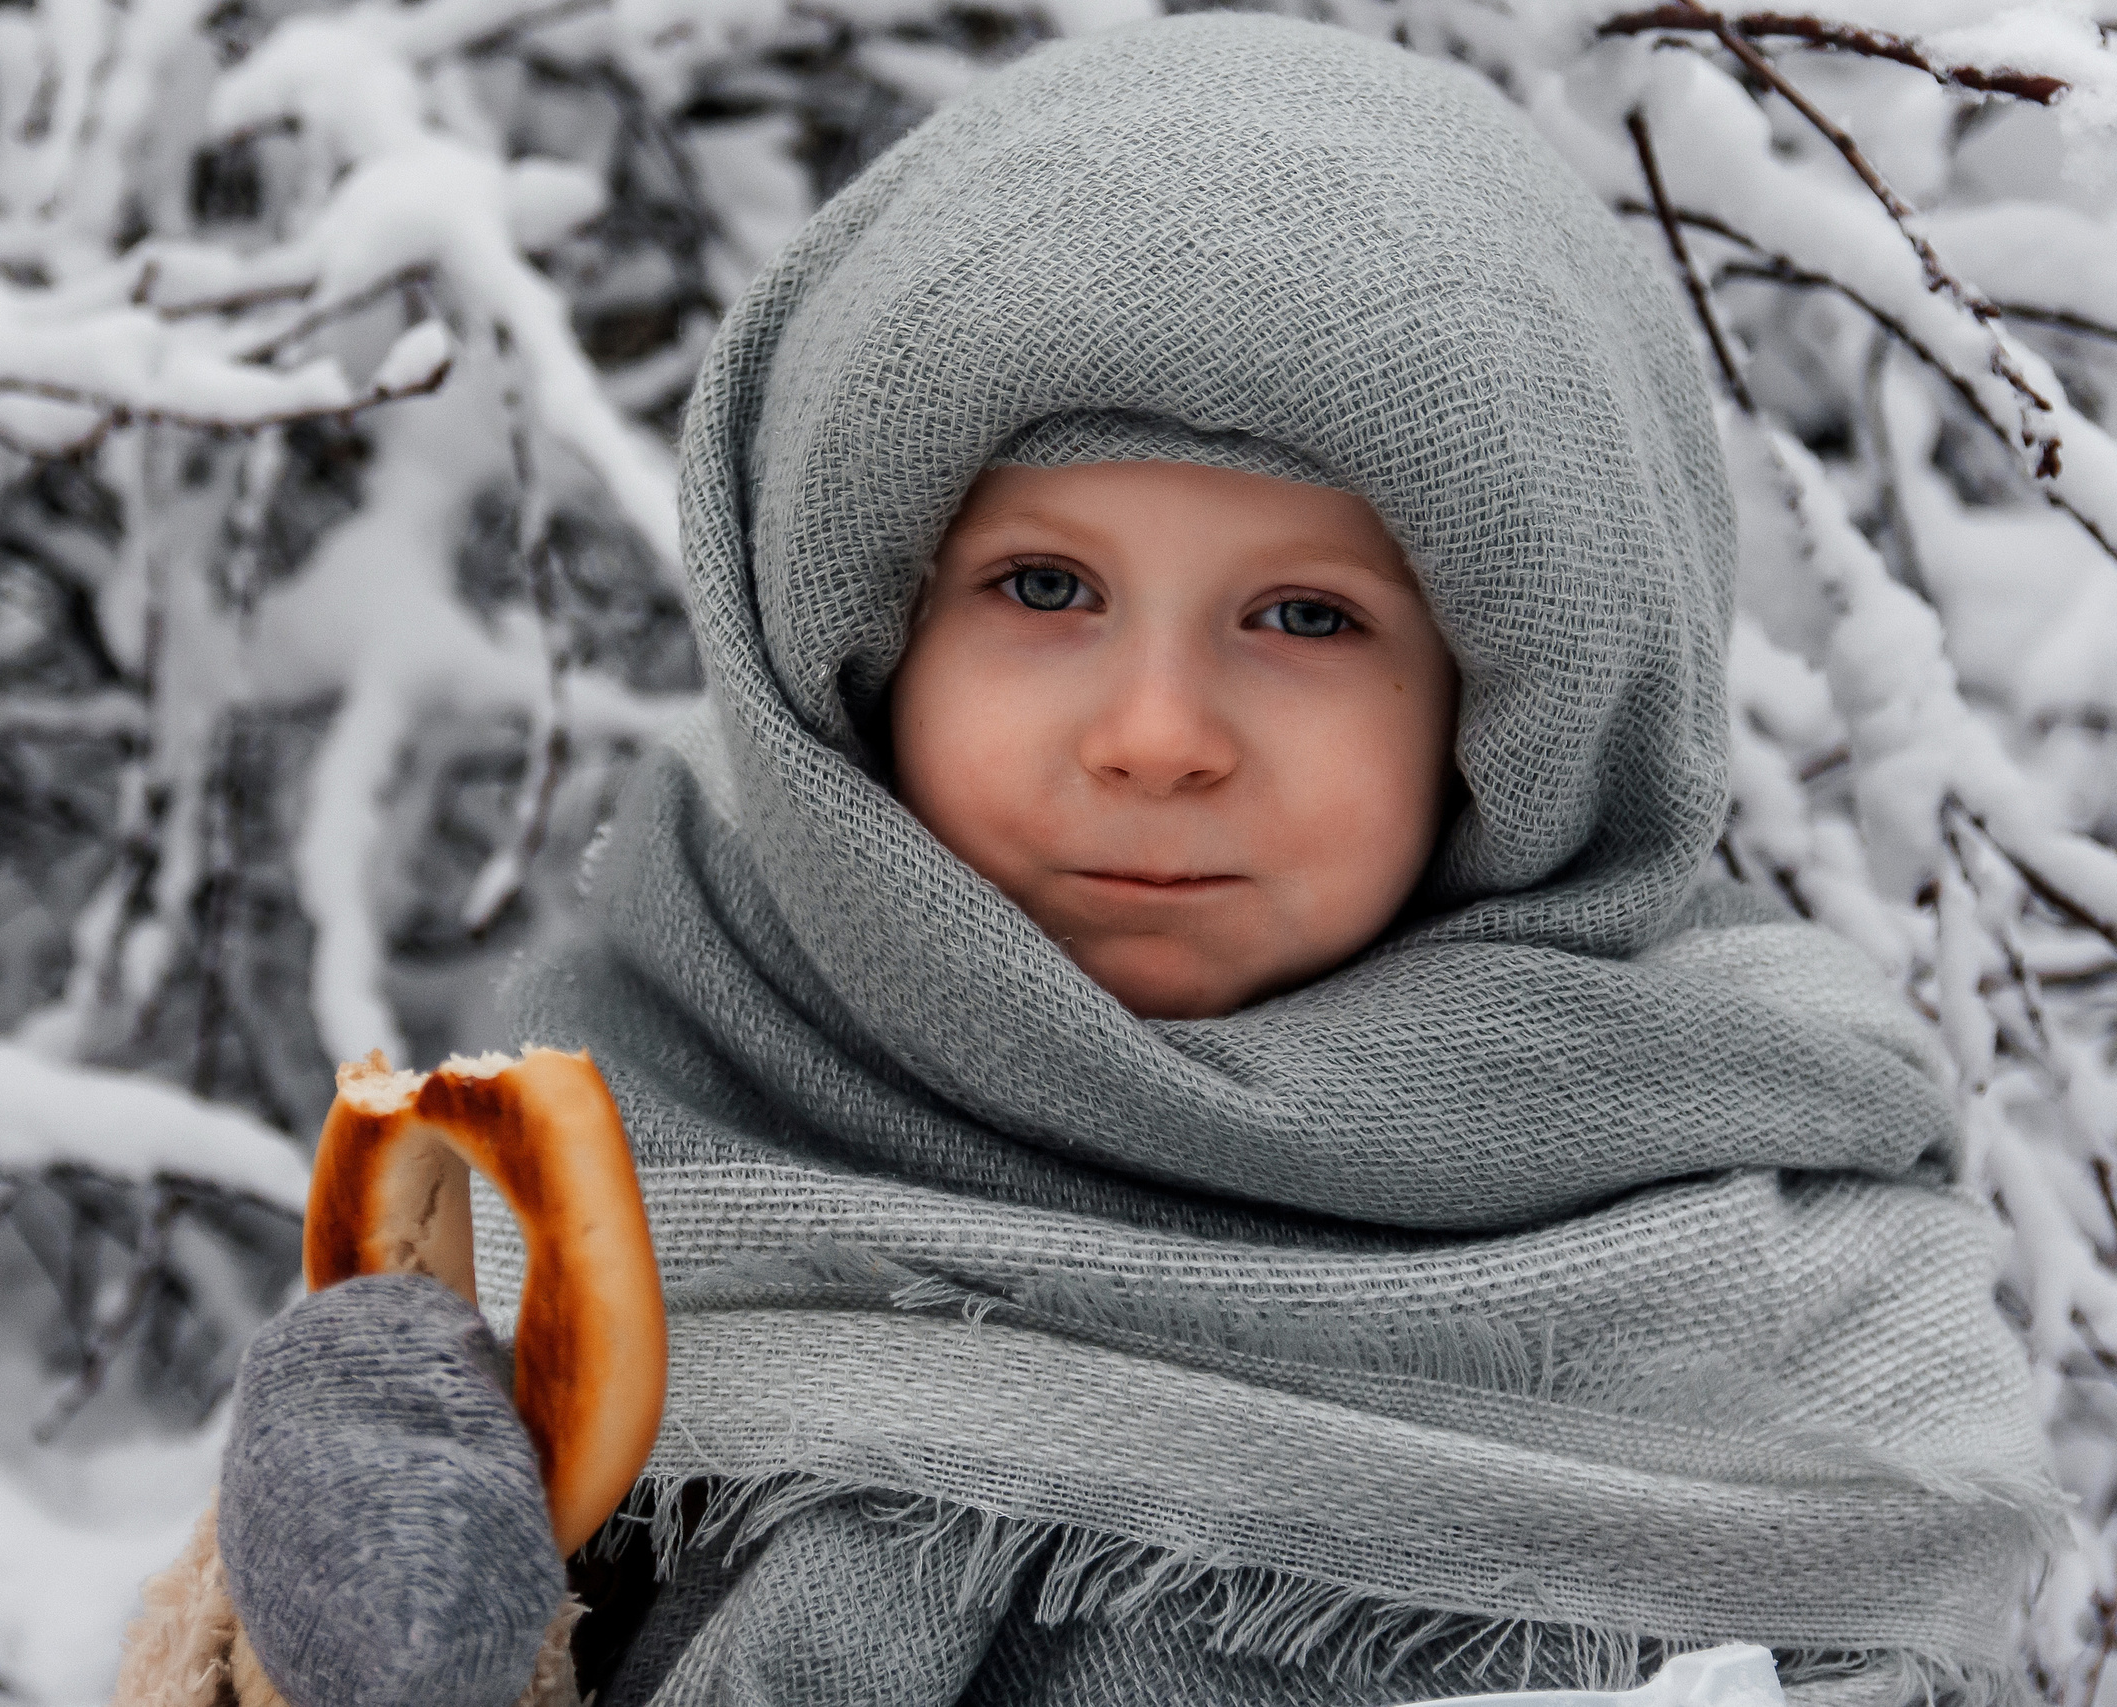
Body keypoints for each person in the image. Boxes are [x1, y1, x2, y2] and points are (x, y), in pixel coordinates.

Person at [213, 13, 2059, 1707]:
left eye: (1308, 618)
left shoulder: (1758, 1261)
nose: (1158, 732)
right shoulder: (585, 1169)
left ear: (1522, 701)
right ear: (867, 635)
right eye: (1043, 587)